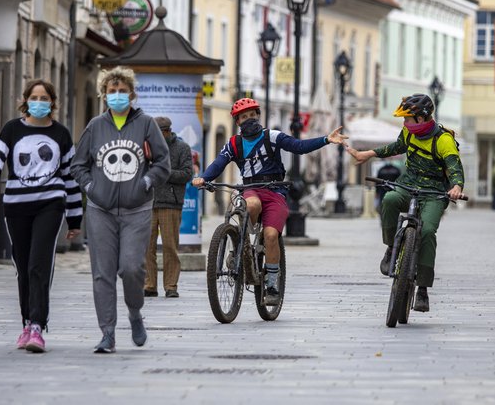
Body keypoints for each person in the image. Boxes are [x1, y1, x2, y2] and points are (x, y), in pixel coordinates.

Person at [191, 98, 349, 305]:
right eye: (244, 117)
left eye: (252, 115)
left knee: (271, 234)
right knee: (252, 205)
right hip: (250, 189)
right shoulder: (234, 143)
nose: (249, 119)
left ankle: (272, 284)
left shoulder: (272, 137)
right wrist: (204, 178)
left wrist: (326, 140)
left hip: (275, 190)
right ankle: (239, 248)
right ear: (238, 121)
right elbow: (218, 163)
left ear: (258, 115)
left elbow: (299, 147)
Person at [0, 79, 83, 353]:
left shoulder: (61, 134)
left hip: (50, 204)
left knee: (38, 264)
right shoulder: (12, 130)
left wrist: (75, 217)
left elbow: (70, 177)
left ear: (52, 102)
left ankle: (37, 325)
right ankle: (26, 322)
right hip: (17, 206)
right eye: (35, 97)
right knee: (23, 267)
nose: (40, 102)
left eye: (45, 97)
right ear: (26, 100)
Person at [70, 67, 170, 354]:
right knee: (102, 273)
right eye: (111, 91)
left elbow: (163, 162)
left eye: (121, 90)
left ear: (132, 93)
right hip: (100, 210)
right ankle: (108, 333)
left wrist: (147, 181)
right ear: (104, 96)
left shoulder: (146, 124)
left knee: (131, 267)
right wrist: (90, 188)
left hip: (136, 208)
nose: (117, 95)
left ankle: (135, 313)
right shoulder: (95, 126)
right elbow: (78, 165)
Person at [347, 93, 464, 313]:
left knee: (428, 231)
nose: (404, 123)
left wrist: (456, 187)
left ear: (421, 118)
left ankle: (423, 290)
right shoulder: (408, 133)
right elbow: (396, 147)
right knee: (389, 199)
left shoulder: (443, 139)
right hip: (408, 185)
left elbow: (455, 167)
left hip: (433, 192)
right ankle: (391, 247)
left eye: (407, 118)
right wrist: (368, 154)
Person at [144, 116, 193, 298]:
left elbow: (187, 174)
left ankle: (171, 286)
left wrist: (163, 173)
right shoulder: (146, 148)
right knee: (145, 247)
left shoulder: (182, 148)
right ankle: (149, 285)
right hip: (147, 203)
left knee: (170, 246)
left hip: (171, 204)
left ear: (166, 132)